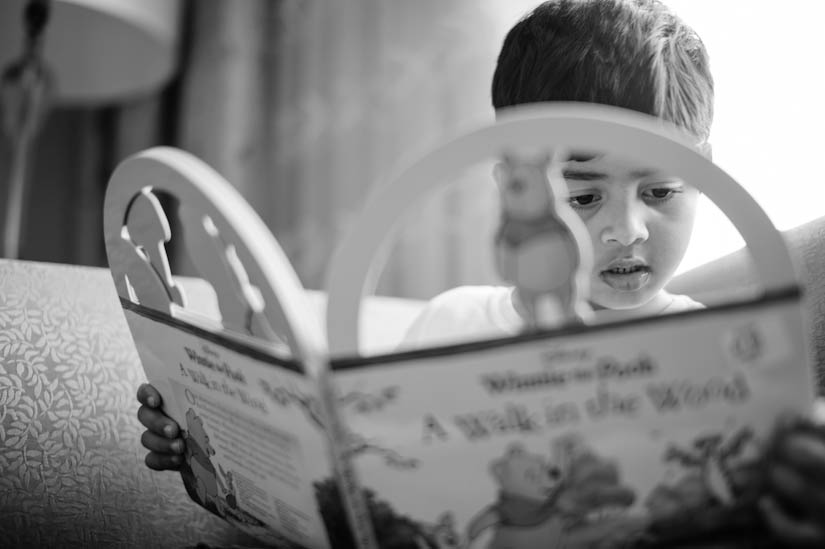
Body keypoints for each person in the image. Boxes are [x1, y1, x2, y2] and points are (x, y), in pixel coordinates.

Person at [137, 0, 825, 544]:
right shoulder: (451, 321)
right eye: (583, 196)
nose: (627, 229)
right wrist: (213, 450)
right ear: (514, 185)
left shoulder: (725, 358)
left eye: (661, 191)